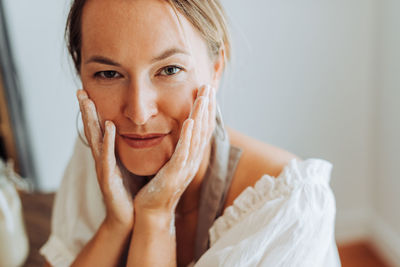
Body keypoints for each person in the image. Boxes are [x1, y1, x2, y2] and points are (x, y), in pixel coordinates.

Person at [40, 0, 341, 266]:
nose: (139, 113)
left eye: (169, 70)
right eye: (108, 74)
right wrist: (116, 223)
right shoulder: (105, 148)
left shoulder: (289, 207)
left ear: (216, 68)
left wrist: (156, 218)